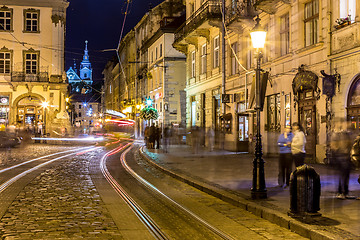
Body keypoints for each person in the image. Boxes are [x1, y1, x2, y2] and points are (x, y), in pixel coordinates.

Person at [330, 119, 355, 199]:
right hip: (340, 157)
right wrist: (340, 150)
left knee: (346, 175)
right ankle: (340, 192)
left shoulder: (346, 134)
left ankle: (345, 192)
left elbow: (350, 143)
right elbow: (333, 145)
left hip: (346, 157)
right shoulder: (336, 134)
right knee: (341, 175)